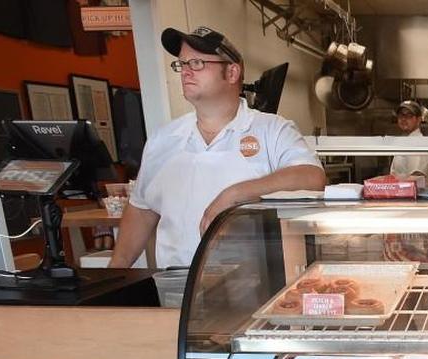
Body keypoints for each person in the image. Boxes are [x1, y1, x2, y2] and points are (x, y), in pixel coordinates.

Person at [109, 26, 325, 268]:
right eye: (182, 64)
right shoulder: (163, 139)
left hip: (256, 285)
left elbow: (311, 176)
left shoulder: (271, 129)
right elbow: (142, 209)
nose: (186, 72)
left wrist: (235, 194)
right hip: (179, 287)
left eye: (198, 63)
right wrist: (115, 271)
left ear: (232, 72)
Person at [388, 100, 428, 185]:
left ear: (419, 119)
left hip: (417, 195)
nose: (403, 119)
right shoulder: (403, 141)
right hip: (403, 193)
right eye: (401, 115)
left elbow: (416, 176)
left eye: (409, 116)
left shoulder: (421, 144)